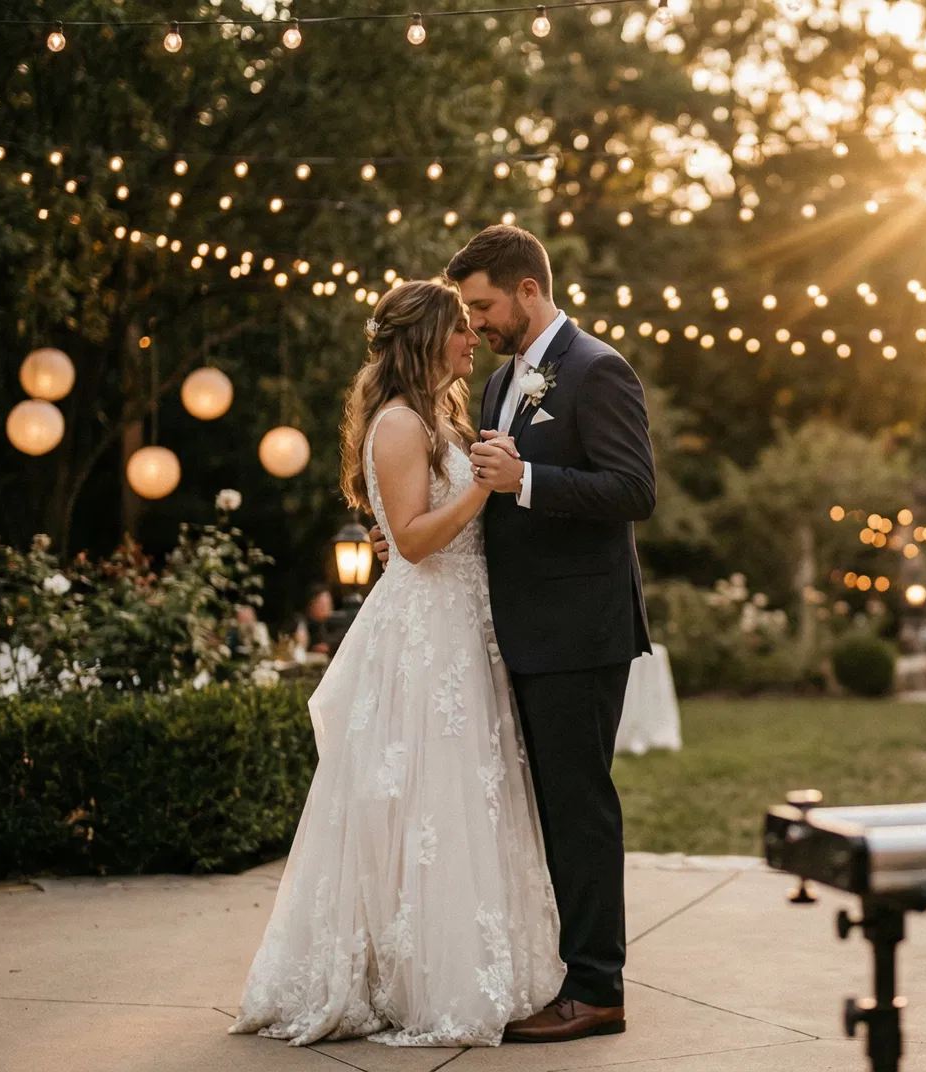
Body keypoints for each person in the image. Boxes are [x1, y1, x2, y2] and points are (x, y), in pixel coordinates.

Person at [230, 279, 565, 1049]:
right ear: (424, 339)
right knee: (428, 797)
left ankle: (475, 964)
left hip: (463, 628)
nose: (472, 339)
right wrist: (482, 491)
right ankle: (417, 979)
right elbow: (412, 541)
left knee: (469, 796)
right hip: (428, 634)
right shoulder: (398, 423)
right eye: (459, 328)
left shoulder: (439, 415)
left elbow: (406, 532)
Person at [377, 225, 655, 1043]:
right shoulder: (501, 385)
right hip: (516, 632)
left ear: (528, 291)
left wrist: (528, 478)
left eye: (485, 306)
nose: (479, 322)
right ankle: (566, 972)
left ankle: (598, 988)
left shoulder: (598, 370)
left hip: (580, 630)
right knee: (543, 812)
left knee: (580, 809)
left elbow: (634, 489)